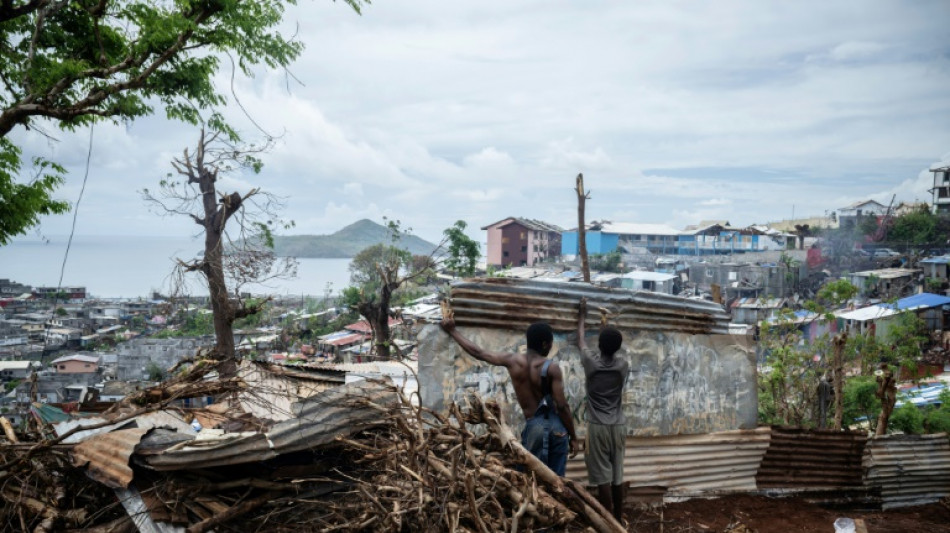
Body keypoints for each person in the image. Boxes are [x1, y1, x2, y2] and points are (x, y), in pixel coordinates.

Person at [440, 316, 578, 475]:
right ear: (545, 344)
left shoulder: (513, 361)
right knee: (558, 482)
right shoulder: (552, 368)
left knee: (533, 478)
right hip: (557, 429)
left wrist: (452, 331)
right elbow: (561, 406)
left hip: (534, 427)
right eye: (551, 343)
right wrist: (573, 437)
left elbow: (479, 352)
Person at [577, 298, 628, 523]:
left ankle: (607, 522)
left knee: (602, 479)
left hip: (597, 426)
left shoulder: (591, 363)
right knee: (617, 477)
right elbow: (608, 348)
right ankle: (617, 519)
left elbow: (581, 341)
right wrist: (604, 328)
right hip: (618, 425)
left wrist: (581, 316)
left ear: (599, 345)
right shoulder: (622, 365)